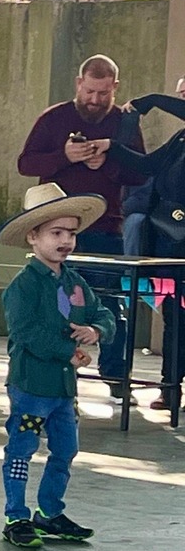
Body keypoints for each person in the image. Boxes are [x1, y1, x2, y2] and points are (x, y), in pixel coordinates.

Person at [0, 183, 113, 548]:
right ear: (33, 237)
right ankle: (16, 515)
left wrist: (96, 330)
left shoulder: (75, 283)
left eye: (71, 233)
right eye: (56, 233)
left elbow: (103, 313)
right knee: (22, 449)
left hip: (63, 390)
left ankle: (49, 512)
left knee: (65, 449)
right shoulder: (24, 286)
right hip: (32, 387)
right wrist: (67, 352)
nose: (66, 241)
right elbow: (26, 332)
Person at [16, 53, 146, 383]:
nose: (95, 100)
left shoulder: (124, 123)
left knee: (110, 304)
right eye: (89, 91)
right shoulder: (54, 118)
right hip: (55, 227)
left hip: (106, 227)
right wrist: (64, 156)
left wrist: (108, 164)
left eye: (103, 93)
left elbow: (142, 173)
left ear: (115, 87)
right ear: (78, 83)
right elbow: (25, 164)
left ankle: (116, 376)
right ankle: (54, 370)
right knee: (52, 304)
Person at [117, 86, 185, 411]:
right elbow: (147, 166)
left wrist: (154, 100)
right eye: (181, 94)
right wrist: (109, 148)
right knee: (175, 317)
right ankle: (170, 388)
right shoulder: (181, 139)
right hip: (175, 243)